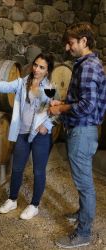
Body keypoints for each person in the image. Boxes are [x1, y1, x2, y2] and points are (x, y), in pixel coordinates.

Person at [0, 53, 54, 220]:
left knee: (38, 171)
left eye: (42, 67)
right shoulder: (23, 82)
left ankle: (34, 205)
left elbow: (55, 111)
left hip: (40, 136)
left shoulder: (49, 87)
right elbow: (6, 86)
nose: (37, 69)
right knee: (17, 168)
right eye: (36, 65)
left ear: (47, 71)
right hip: (23, 133)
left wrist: (46, 126)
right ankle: (12, 200)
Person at [49, 22, 106, 248]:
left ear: (84, 41)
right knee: (84, 180)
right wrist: (62, 102)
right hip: (82, 130)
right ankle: (82, 213)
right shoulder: (86, 64)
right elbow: (79, 101)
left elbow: (87, 106)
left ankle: (83, 233)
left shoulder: (89, 66)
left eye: (71, 42)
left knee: (85, 185)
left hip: (82, 131)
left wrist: (60, 109)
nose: (67, 47)